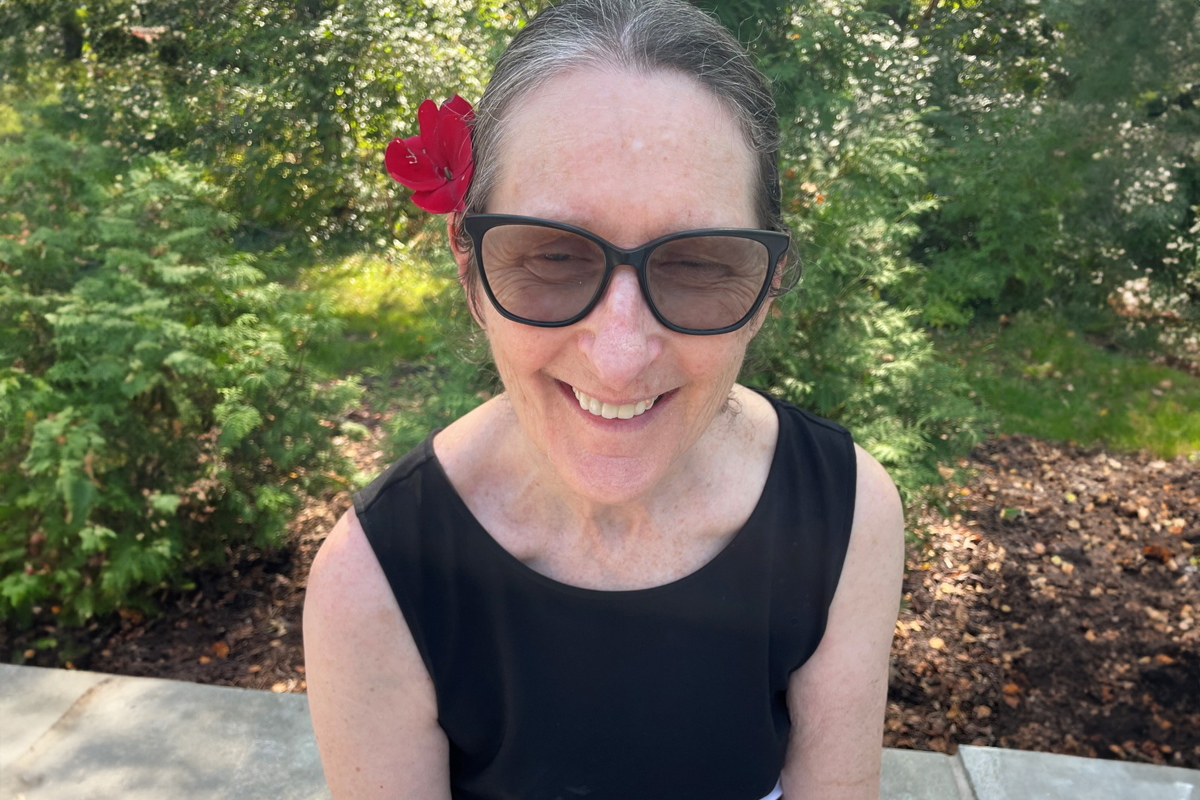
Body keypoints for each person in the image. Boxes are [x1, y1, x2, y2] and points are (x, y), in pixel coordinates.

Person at [303, 0, 904, 797]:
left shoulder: (846, 514)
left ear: (766, 290)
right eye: (552, 257)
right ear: (470, 267)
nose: (620, 358)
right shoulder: (374, 587)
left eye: (698, 264)